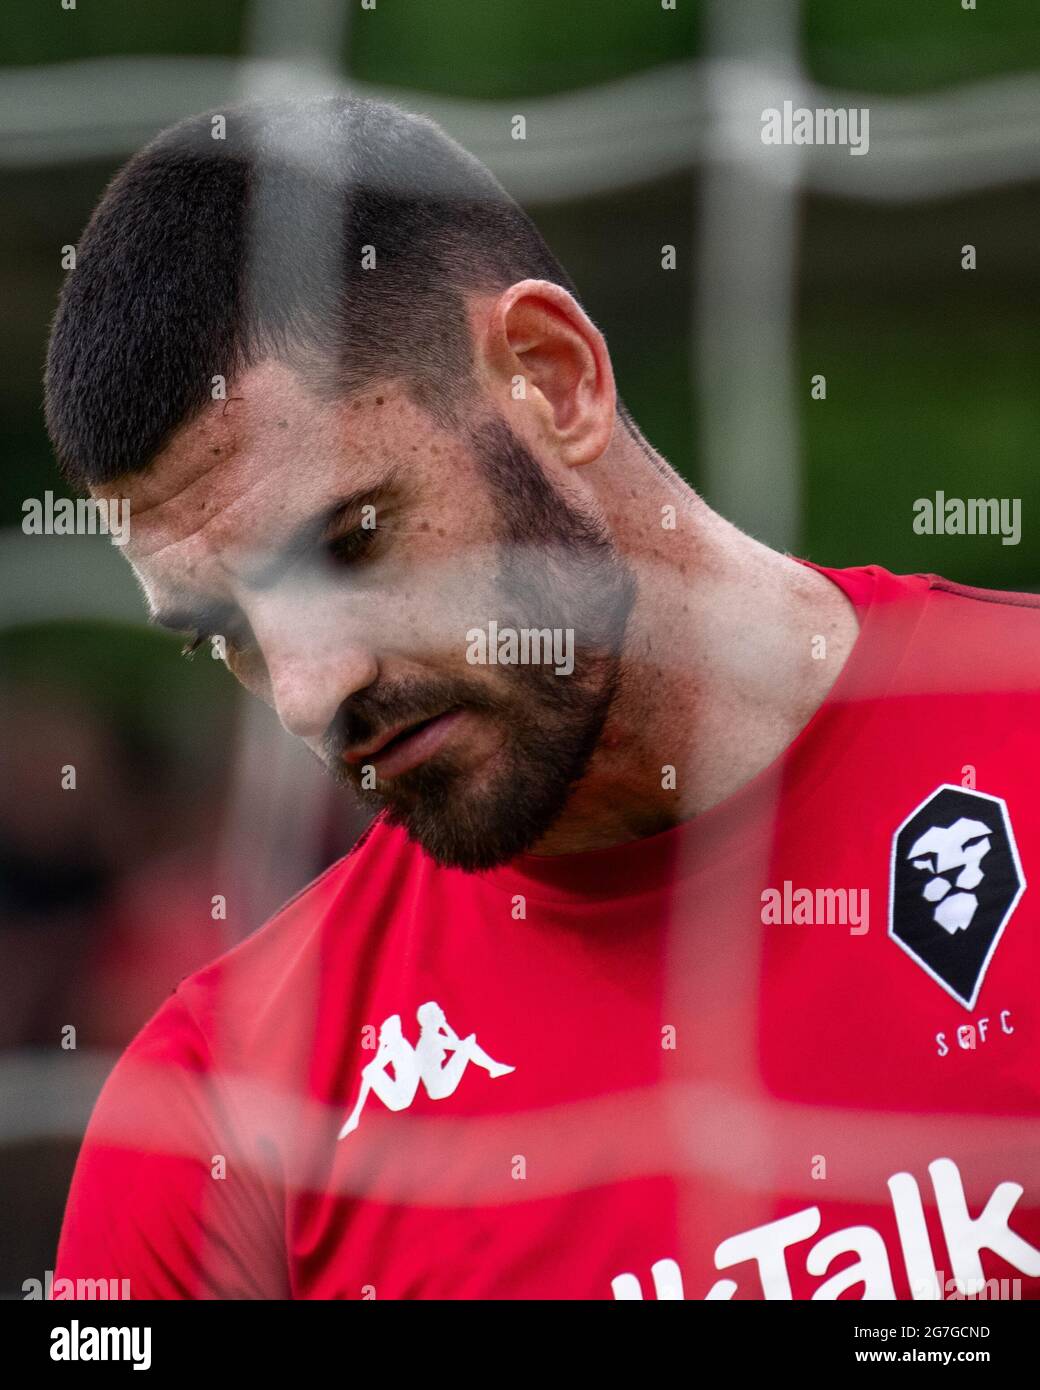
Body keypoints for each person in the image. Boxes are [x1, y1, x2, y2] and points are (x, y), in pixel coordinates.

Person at [45, 96, 1040, 1300]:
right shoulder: (220, 1125)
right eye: (228, 634)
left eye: (351, 545)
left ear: (550, 379)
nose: (313, 693)